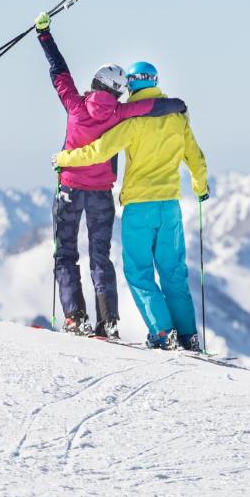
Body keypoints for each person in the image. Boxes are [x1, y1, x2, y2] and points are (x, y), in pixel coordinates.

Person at [35, 12, 187, 340]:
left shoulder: (74, 105)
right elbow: (152, 107)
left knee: (66, 254)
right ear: (118, 91)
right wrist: (177, 103)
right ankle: (109, 322)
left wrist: (44, 34)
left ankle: (75, 317)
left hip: (70, 191)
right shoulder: (120, 113)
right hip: (102, 194)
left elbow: (58, 71)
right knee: (100, 257)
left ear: (95, 82)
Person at [54, 61, 209, 352]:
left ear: (132, 86)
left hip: (139, 206)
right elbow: (196, 157)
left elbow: (99, 151)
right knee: (174, 272)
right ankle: (188, 334)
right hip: (170, 205)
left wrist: (63, 160)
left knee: (139, 273)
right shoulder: (177, 117)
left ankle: (163, 333)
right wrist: (200, 188)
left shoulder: (130, 121)